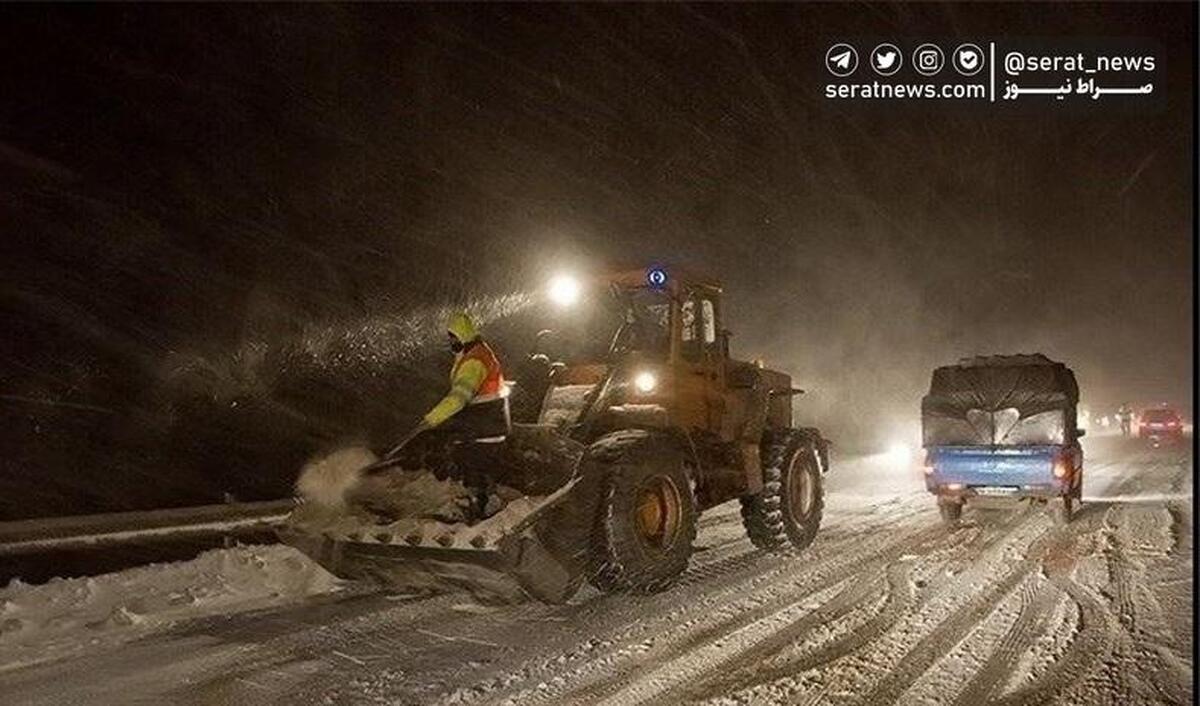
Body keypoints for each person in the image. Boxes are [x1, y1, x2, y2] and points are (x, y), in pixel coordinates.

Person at [393, 312, 510, 513]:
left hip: (485, 423)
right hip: (489, 421)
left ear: (464, 335)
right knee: (472, 459)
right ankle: (483, 501)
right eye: (450, 337)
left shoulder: (474, 361)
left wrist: (432, 419)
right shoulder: (477, 352)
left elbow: (459, 397)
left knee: (469, 457)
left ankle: (477, 505)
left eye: (454, 337)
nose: (452, 341)